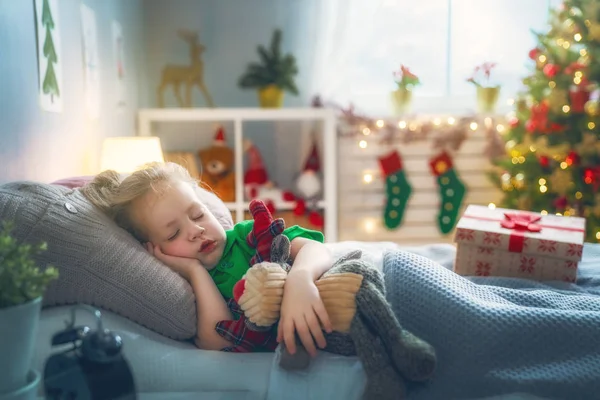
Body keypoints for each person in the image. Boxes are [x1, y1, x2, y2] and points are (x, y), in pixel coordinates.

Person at [82, 162, 334, 357]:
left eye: (198, 214)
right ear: (152, 249)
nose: (195, 230)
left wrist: (300, 280)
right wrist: (195, 271)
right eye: (174, 233)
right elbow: (219, 341)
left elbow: (314, 248)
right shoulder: (183, 286)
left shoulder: (246, 235)